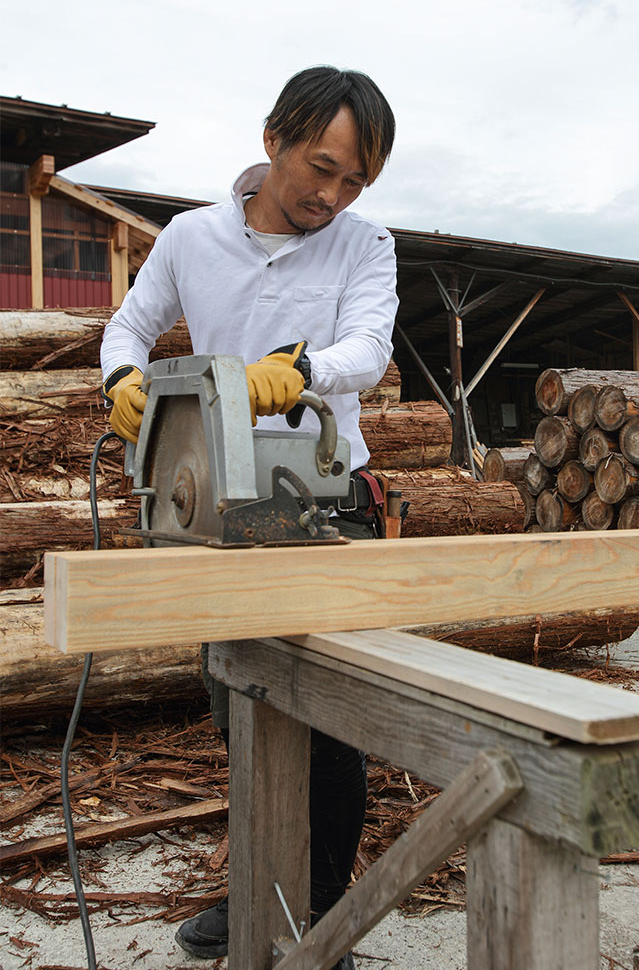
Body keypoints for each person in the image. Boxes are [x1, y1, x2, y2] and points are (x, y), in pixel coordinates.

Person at [100, 66, 398, 967]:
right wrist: (121, 382)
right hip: (216, 509)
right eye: (322, 168)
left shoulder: (363, 243)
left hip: (323, 502)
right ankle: (258, 891)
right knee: (238, 698)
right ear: (273, 139)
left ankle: (321, 920)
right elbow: (128, 326)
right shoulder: (190, 238)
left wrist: (298, 373)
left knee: (328, 716)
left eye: (353, 181)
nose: (332, 194)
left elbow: (370, 349)